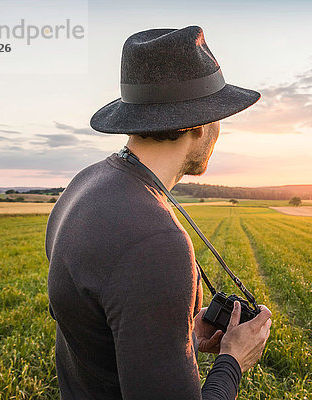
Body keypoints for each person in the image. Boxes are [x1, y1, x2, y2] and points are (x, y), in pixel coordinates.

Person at [45, 25, 272, 399]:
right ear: (200, 124)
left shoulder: (83, 186)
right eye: (219, 116)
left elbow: (99, 332)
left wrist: (179, 336)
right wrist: (233, 359)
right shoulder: (155, 240)